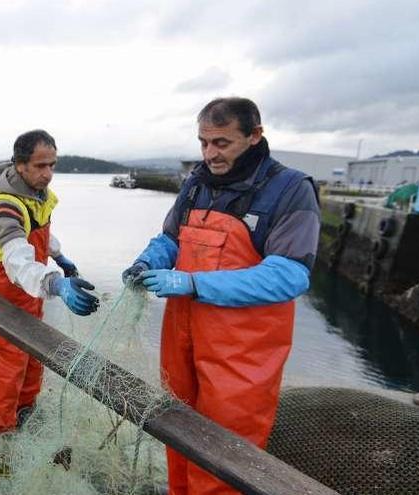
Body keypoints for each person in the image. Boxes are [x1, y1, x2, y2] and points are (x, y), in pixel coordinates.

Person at [122, 97, 320, 494]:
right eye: (204, 143)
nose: (210, 153)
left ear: (254, 136)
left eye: (222, 143)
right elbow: (171, 239)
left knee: (226, 457)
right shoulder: (197, 183)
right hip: (182, 340)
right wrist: (146, 262)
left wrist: (195, 284)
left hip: (242, 356)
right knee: (177, 435)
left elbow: (289, 275)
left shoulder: (290, 189)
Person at [0, 129, 99, 433]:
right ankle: (1, 436)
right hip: (2, 290)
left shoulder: (36, 196)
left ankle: (26, 414)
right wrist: (55, 284)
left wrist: (59, 256)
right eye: (41, 166)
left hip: (31, 290)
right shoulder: (4, 205)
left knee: (33, 356)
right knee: (8, 364)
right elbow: (17, 259)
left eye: (52, 165)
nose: (49, 174)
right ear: (20, 165)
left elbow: (40, 231)